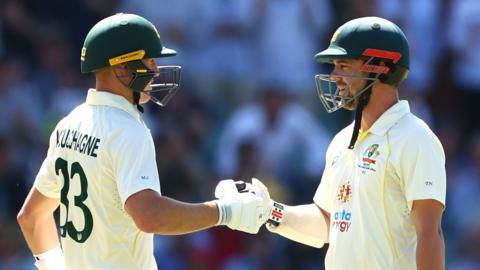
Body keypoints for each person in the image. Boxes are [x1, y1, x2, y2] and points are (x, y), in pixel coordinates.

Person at [16, 13, 268, 270]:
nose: (156, 69)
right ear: (121, 67)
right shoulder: (129, 131)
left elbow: (31, 217)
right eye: (149, 60)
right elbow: (150, 216)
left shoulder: (69, 122)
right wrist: (225, 212)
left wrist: (52, 266)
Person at [218, 16, 446, 270]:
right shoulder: (341, 141)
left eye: (344, 65)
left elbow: (430, 234)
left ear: (380, 67)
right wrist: (270, 210)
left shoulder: (415, 138)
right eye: (335, 66)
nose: (335, 76)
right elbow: (326, 224)